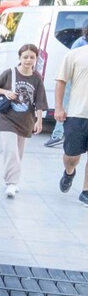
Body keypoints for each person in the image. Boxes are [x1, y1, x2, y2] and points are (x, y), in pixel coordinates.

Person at [0, 44, 47, 198]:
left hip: (26, 120)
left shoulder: (37, 78)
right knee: (11, 151)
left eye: (32, 57)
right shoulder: (10, 73)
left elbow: (40, 101)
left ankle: (12, 179)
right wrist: (6, 92)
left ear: (36, 59)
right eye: (25, 57)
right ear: (19, 58)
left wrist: (39, 121)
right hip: (8, 118)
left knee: (18, 153)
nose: (28, 60)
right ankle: (11, 183)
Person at [55, 41, 88, 206]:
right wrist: (59, 107)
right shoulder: (76, 54)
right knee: (71, 157)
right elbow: (61, 81)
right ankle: (69, 172)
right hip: (77, 114)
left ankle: (86, 191)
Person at [48, 21, 88, 148]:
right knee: (67, 104)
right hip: (76, 79)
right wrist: (58, 108)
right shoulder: (80, 44)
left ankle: (57, 134)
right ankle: (58, 134)